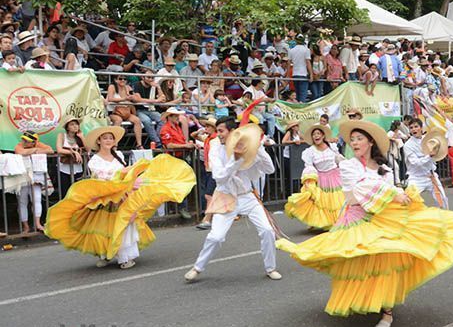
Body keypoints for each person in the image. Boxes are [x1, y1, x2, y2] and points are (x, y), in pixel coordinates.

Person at [276, 120, 453, 327]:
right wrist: (392, 193)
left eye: (359, 139)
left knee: (385, 262)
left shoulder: (385, 169)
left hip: (382, 219)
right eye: (352, 139)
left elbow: (388, 192)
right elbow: (354, 194)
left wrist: (397, 194)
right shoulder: (347, 165)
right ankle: (363, 300)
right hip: (355, 221)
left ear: (370, 142)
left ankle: (387, 311)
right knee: (358, 263)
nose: (354, 142)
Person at [45, 125, 195, 269]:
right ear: (99, 141)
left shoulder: (120, 156)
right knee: (104, 227)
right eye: (105, 138)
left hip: (122, 197)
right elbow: (102, 178)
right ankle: (105, 255)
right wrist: (120, 178)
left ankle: (125, 257)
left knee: (123, 225)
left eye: (111, 138)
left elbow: (124, 173)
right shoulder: (94, 160)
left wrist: (129, 178)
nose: (108, 140)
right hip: (105, 198)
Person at [184, 118, 282, 281]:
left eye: (221, 130)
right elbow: (219, 178)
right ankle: (197, 268)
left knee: (267, 230)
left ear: (231, 131)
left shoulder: (247, 147)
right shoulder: (215, 147)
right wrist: (236, 159)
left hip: (248, 196)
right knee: (216, 237)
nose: (218, 134)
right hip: (225, 197)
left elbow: (269, 169)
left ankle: (270, 268)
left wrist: (259, 148)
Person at [284, 123, 345, 230]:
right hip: (322, 179)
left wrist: (347, 167)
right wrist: (310, 180)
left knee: (338, 201)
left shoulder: (332, 147)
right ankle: (326, 222)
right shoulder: (309, 152)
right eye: (314, 134)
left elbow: (338, 159)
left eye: (318, 133)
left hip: (335, 177)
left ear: (323, 136)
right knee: (323, 202)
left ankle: (341, 221)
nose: (316, 136)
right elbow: (309, 166)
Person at [403, 119, 448, 208]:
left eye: (416, 127)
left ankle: (445, 218)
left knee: (442, 199)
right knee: (408, 200)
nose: (414, 129)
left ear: (421, 128)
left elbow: (438, 151)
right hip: (416, 178)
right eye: (411, 128)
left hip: (431, 177)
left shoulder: (428, 140)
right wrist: (429, 156)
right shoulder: (408, 145)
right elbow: (415, 162)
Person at [14, 132, 53, 233]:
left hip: (36, 176)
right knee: (22, 202)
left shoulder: (39, 144)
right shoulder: (19, 146)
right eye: (24, 140)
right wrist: (36, 150)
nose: (24, 142)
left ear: (34, 142)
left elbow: (50, 150)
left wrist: (34, 150)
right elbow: (20, 152)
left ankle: (37, 224)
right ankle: (26, 227)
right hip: (22, 176)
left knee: (37, 200)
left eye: (27, 141)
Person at [105, 76, 144, 148]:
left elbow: (135, 98)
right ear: (115, 80)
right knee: (118, 120)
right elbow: (110, 98)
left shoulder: (128, 87)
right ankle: (114, 144)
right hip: (113, 112)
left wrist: (133, 97)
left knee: (137, 120)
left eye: (125, 79)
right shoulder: (112, 86)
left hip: (126, 111)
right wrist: (124, 98)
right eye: (120, 79)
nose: (123, 80)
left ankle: (139, 144)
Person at [55, 117, 86, 199]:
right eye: (72, 124)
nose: (75, 126)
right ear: (67, 127)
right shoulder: (62, 135)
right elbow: (59, 149)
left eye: (76, 124)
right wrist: (73, 152)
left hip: (78, 168)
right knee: (65, 193)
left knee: (78, 193)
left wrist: (82, 137)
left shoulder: (79, 137)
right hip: (64, 169)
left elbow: (88, 149)